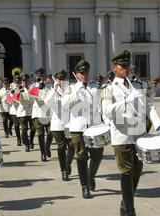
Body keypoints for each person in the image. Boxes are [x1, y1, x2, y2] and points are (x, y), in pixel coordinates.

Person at [101, 50, 160, 216]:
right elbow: (106, 111)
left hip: (139, 135)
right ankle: (131, 214)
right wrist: (125, 101)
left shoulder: (138, 86)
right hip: (121, 135)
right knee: (126, 172)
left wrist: (159, 125)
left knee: (137, 173)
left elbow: (149, 106)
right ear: (114, 68)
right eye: (122, 66)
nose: (125, 69)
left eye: (127, 66)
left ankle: (125, 203)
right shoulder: (108, 88)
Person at [62, 60, 104, 199]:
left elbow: (101, 106)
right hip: (78, 128)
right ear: (77, 74)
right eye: (81, 73)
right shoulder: (71, 89)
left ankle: (90, 175)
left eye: (86, 72)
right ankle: (84, 186)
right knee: (81, 156)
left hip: (94, 127)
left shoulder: (95, 87)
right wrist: (76, 96)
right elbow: (64, 106)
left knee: (97, 155)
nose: (84, 75)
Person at [44, 70, 75, 181]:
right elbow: (47, 103)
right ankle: (64, 171)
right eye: (59, 79)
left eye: (63, 79)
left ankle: (67, 164)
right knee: (61, 146)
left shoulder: (70, 91)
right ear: (56, 80)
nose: (61, 81)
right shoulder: (51, 91)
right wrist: (54, 89)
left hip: (69, 124)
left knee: (72, 146)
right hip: (57, 124)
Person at [29, 68, 53, 162]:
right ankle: (43, 153)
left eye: (41, 75)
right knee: (40, 133)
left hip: (48, 112)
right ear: (36, 76)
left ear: (44, 75)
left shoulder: (49, 85)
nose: (40, 76)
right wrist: (37, 87)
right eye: (38, 75)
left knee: (50, 133)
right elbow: (30, 99)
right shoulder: (33, 87)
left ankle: (47, 147)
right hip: (38, 112)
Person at [15, 74, 33, 152]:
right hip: (22, 112)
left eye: (26, 80)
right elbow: (16, 99)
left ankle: (31, 140)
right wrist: (18, 91)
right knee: (24, 129)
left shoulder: (32, 87)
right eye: (23, 80)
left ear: (28, 80)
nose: (24, 82)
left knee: (33, 128)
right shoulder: (18, 88)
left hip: (31, 111)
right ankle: (26, 144)